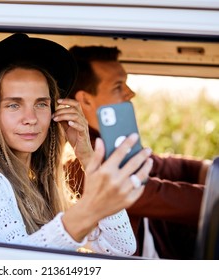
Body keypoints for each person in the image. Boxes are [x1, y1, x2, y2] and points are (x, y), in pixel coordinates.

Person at [0, 33, 153, 256]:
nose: (31, 118)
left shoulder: (39, 186)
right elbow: (19, 262)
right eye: (14, 105)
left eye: (41, 104)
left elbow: (121, 248)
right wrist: (87, 211)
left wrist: (87, 158)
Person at [65, 45, 209, 259]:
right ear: (85, 99)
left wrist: (209, 169)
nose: (131, 92)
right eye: (118, 86)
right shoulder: (81, 161)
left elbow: (169, 166)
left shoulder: (114, 141)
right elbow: (156, 195)